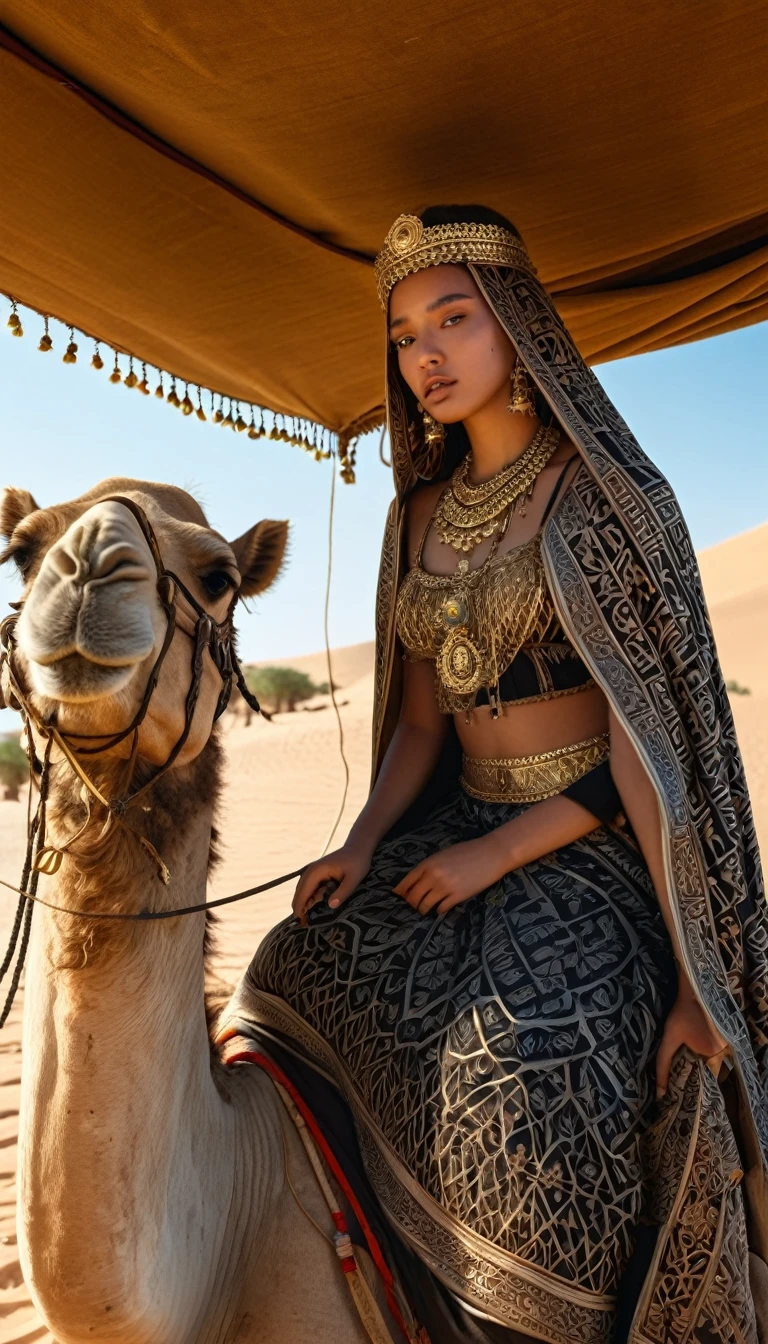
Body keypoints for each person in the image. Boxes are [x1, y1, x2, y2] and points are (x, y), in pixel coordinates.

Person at [235, 207, 768, 1343]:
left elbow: (650, 742)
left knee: (518, 1079)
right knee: (298, 963)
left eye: (453, 319)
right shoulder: (416, 516)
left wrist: (505, 855)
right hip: (454, 831)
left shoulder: (603, 501)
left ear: (518, 328)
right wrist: (366, 842)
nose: (424, 353)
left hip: (602, 846)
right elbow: (421, 728)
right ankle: (356, 1275)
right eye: (404, 335)